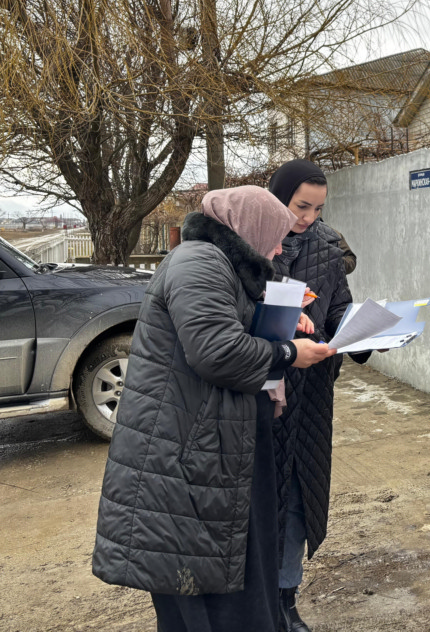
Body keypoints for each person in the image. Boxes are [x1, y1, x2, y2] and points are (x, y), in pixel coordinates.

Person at [92, 185, 335, 631]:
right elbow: (216, 351)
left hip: (207, 452)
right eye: (275, 235)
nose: (280, 247)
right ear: (249, 228)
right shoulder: (199, 263)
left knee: (222, 590)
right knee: (203, 601)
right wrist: (287, 353)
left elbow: (224, 323)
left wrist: (277, 317)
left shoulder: (216, 263)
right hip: (185, 459)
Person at [266, 159, 369, 632]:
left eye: (317, 208)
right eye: (300, 205)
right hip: (257, 386)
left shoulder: (328, 247)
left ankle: (286, 598)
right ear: (277, 197)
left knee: (296, 495)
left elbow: (339, 305)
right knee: (253, 495)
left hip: (310, 392)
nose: (307, 217)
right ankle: (255, 598)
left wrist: (359, 334)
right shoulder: (250, 242)